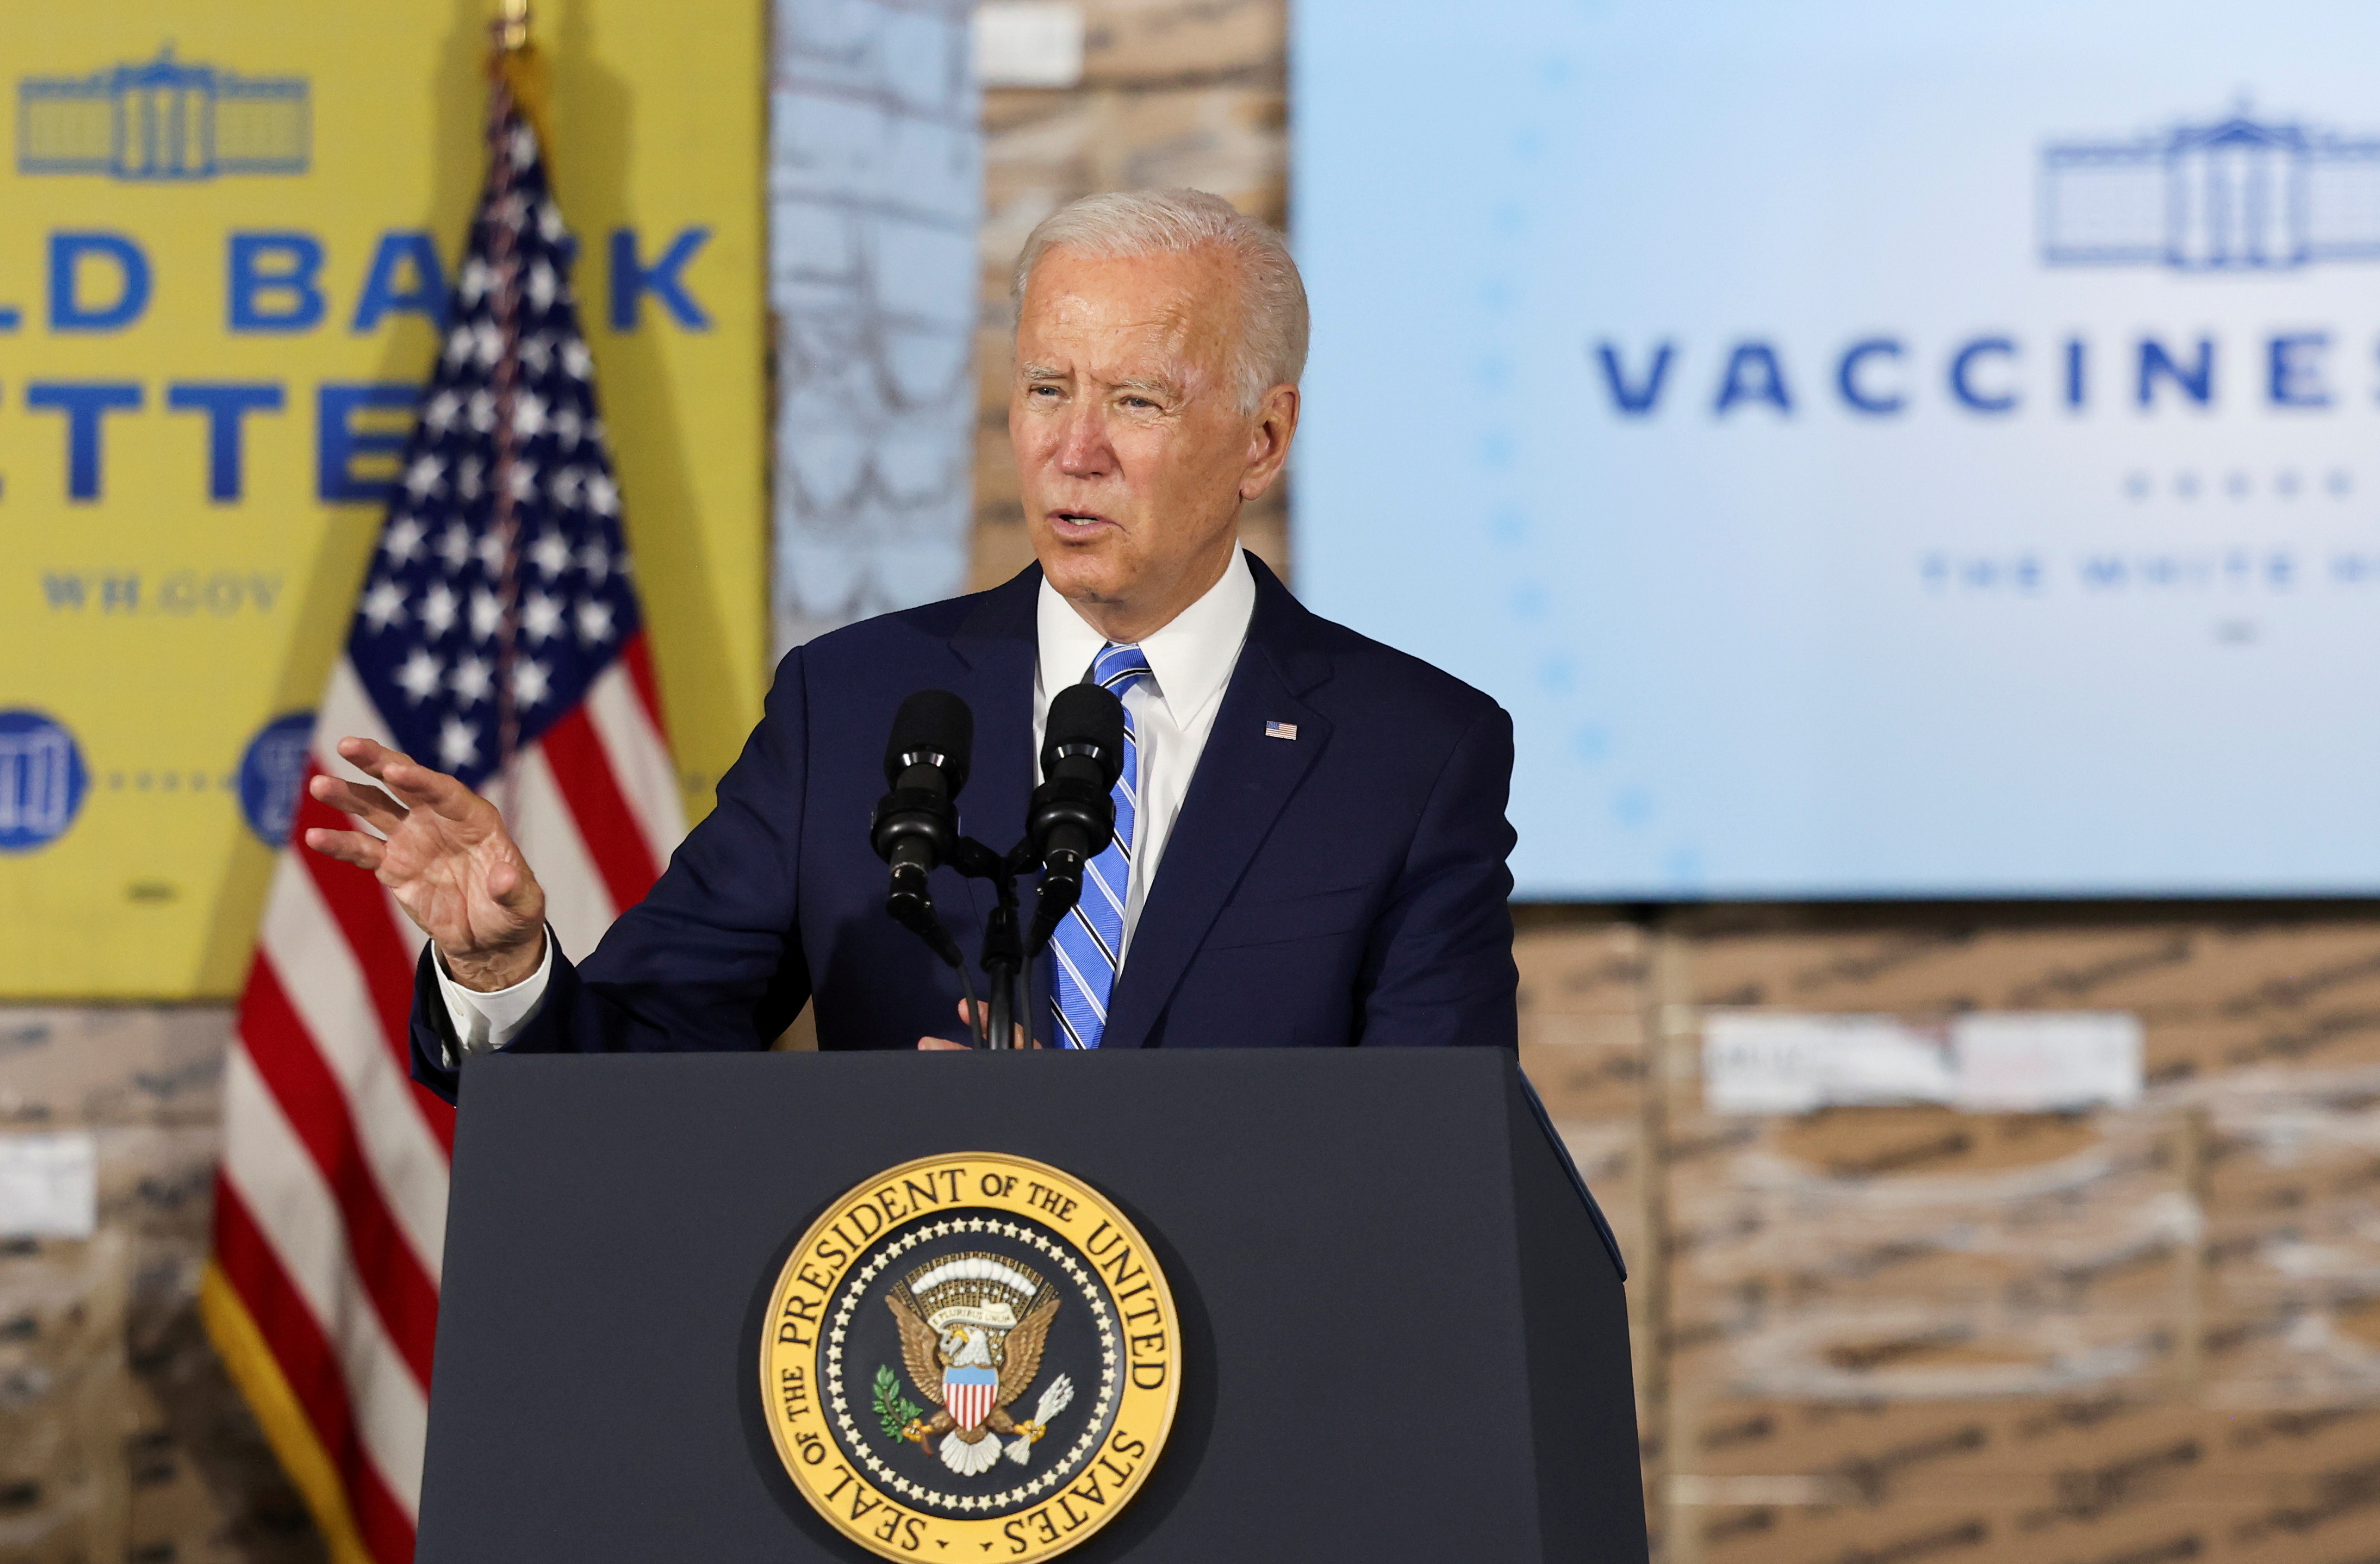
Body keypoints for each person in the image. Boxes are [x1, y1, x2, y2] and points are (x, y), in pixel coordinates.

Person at [304, 188, 1517, 1096]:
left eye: (1134, 401)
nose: (1071, 449)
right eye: (1047, 388)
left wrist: (1116, 1142)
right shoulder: (854, 705)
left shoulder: (1409, 752)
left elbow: (1432, 1149)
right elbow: (637, 1065)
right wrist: (505, 967)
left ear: (1262, 438)